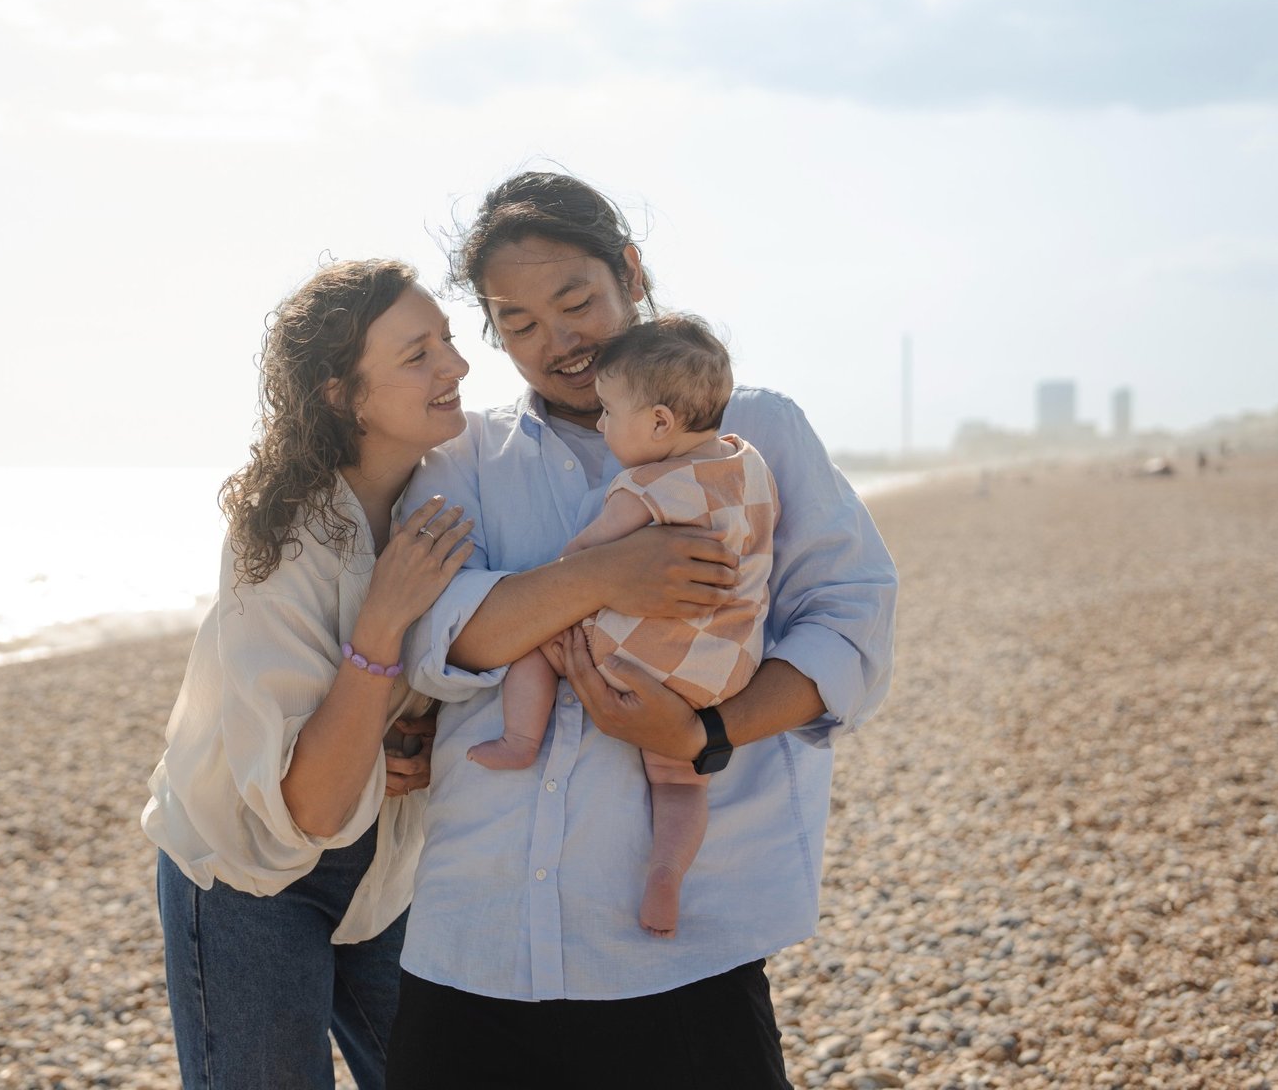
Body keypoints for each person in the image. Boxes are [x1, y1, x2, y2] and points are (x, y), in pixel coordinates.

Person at [383, 173, 898, 1089]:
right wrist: (603, 575)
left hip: (680, 947)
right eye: (518, 322)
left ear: (631, 273)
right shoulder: (462, 459)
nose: (557, 342)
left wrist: (704, 733)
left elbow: (850, 621)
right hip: (474, 939)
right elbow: (432, 638)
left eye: (576, 302)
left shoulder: (759, 432)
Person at [142, 259, 476, 1090]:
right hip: (248, 876)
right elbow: (312, 806)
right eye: (417, 355)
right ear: (342, 393)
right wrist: (380, 623)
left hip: (385, 875)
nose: (456, 366)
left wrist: (417, 732)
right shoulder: (285, 541)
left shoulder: (447, 497)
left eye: (449, 341)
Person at [464, 312, 778, 939]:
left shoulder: (646, 485)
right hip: (725, 670)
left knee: (536, 638)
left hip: (649, 653)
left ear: (659, 423)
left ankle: (520, 740)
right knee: (679, 782)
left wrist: (559, 577)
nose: (602, 424)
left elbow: (584, 561)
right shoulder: (750, 467)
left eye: (610, 412)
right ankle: (667, 874)